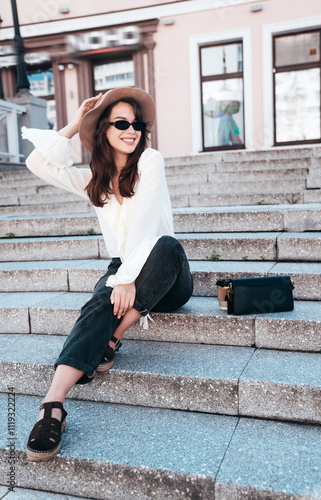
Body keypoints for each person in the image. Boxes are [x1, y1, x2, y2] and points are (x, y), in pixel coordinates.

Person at [22, 87, 193, 462]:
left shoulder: (151, 161)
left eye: (136, 124)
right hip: (123, 264)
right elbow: (37, 162)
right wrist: (73, 123)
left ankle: (111, 338)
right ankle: (52, 404)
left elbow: (148, 228)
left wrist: (128, 278)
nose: (131, 130)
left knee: (166, 246)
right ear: (104, 130)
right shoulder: (93, 181)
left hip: (165, 268)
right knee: (99, 299)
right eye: (120, 123)